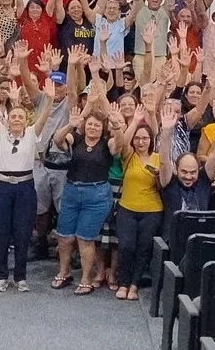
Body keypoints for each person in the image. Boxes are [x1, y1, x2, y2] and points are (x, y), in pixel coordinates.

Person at [50, 106, 119, 294]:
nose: (93, 128)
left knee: (85, 239)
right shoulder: (76, 139)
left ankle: (86, 278)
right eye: (90, 124)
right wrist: (70, 125)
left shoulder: (107, 143)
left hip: (97, 195)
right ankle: (64, 272)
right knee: (64, 236)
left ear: (102, 128)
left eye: (97, 125)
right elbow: (57, 140)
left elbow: (119, 147)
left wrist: (117, 126)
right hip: (71, 191)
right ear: (84, 125)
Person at [0, 73, 46, 293]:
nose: (17, 120)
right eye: (14, 116)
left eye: (21, 117)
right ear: (8, 119)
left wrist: (49, 99)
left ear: (26, 120)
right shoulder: (0, 132)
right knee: (1, 231)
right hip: (3, 186)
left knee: (23, 232)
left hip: (24, 187)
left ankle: (20, 277)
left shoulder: (31, 133)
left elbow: (43, 117)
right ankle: (1, 276)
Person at [111, 111, 163, 300]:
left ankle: (134, 285)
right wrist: (132, 122)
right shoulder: (129, 155)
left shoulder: (158, 158)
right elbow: (121, 144)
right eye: (138, 138)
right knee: (126, 246)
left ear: (151, 140)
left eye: (145, 138)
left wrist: (158, 176)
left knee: (144, 248)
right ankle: (123, 283)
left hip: (152, 210)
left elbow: (163, 186)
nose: (141, 142)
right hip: (127, 208)